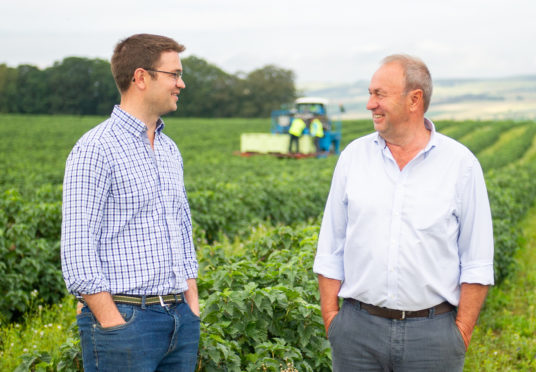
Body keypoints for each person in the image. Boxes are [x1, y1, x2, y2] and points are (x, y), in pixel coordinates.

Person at [313, 54, 494, 371]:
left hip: (433, 336)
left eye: (379, 94)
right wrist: (333, 320)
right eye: (370, 93)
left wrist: (460, 333)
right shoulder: (353, 158)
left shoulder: (460, 164)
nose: (370, 104)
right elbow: (330, 248)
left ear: (414, 99)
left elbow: (477, 260)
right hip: (357, 333)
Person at [61, 34, 200, 372]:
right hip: (126, 321)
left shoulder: (169, 149)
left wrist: (191, 307)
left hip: (179, 318)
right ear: (141, 77)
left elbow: (182, 231)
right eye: (173, 74)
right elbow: (78, 249)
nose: (181, 84)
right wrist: (111, 320)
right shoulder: (95, 148)